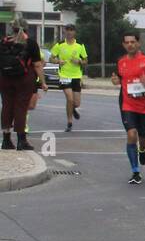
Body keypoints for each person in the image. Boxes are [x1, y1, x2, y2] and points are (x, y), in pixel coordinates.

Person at [111, 31, 145, 184]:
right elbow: (117, 78)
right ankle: (135, 171)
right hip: (127, 104)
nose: (130, 45)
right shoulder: (121, 61)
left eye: (133, 42)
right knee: (132, 134)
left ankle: (142, 149)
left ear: (138, 43)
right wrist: (115, 80)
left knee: (144, 140)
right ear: (123, 45)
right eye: (127, 42)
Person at [1, 22, 46, 150]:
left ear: (12, 29)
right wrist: (43, 82)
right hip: (24, 79)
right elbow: (37, 65)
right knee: (21, 107)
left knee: (6, 106)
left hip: (5, 78)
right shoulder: (30, 43)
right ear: (26, 29)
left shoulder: (3, 42)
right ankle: (21, 140)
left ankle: (6, 139)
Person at [49, 24, 89, 133]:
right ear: (64, 32)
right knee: (69, 99)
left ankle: (73, 108)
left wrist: (79, 61)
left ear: (74, 32)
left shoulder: (80, 45)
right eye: (67, 30)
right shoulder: (60, 45)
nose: (69, 33)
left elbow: (86, 61)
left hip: (76, 76)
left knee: (76, 103)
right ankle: (69, 122)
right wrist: (58, 61)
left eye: (71, 30)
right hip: (64, 76)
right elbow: (51, 58)